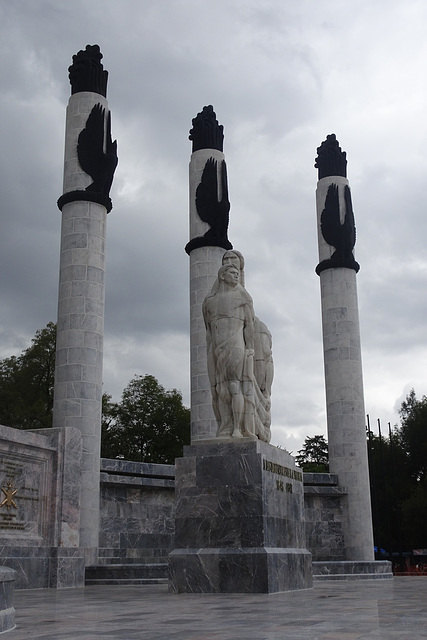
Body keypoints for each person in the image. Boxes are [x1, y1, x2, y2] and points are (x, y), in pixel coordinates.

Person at [202, 260, 272, 442]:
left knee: (234, 386)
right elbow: (208, 330)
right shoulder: (209, 302)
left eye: (237, 273)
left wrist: (250, 348)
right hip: (216, 349)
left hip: (236, 346)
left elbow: (249, 325)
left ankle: (237, 429)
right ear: (222, 276)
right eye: (232, 272)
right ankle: (224, 428)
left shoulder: (243, 298)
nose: (236, 275)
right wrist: (209, 351)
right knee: (219, 390)